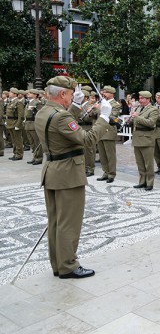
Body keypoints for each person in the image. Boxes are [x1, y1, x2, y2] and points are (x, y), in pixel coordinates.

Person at [35, 76, 112, 278]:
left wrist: (76, 105)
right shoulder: (61, 116)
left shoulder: (44, 111)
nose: (71, 97)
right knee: (69, 223)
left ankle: (58, 264)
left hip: (53, 171)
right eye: (70, 94)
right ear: (62, 94)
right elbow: (87, 139)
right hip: (68, 174)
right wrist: (104, 118)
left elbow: (62, 124)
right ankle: (68, 266)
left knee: (55, 222)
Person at [128, 91, 159, 190]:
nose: (140, 100)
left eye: (142, 98)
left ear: (147, 99)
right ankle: (142, 181)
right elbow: (134, 122)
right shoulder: (138, 108)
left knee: (148, 163)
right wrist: (131, 119)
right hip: (137, 138)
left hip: (146, 138)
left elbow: (151, 123)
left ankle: (149, 182)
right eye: (139, 98)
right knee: (140, 162)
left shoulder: (153, 109)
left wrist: (137, 117)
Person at [96, 86, 121, 183]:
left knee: (110, 154)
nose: (103, 94)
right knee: (102, 154)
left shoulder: (115, 104)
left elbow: (113, 118)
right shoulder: (102, 103)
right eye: (103, 92)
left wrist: (100, 109)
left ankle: (111, 174)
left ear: (111, 94)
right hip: (100, 130)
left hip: (109, 130)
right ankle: (105, 172)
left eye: (105, 92)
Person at [24, 89, 44, 165]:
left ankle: (39, 158)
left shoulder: (37, 103)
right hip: (28, 124)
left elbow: (40, 114)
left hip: (34, 124)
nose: (28, 94)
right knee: (32, 142)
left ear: (35, 95)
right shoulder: (29, 102)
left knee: (37, 142)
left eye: (30, 93)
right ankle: (34, 156)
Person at [6, 88, 25, 160]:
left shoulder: (18, 102)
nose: (9, 93)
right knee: (13, 140)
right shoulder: (11, 102)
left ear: (14, 94)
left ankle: (19, 154)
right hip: (10, 123)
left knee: (18, 140)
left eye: (10, 92)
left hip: (15, 123)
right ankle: (15, 153)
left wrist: (18, 124)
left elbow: (21, 115)